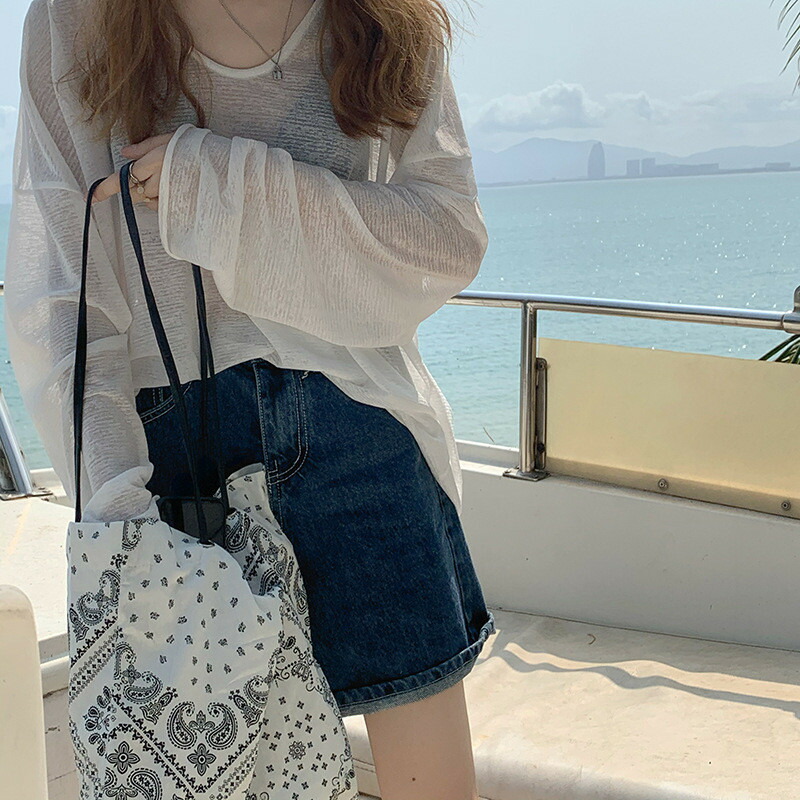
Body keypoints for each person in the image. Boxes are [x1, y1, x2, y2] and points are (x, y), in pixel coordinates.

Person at [4, 0, 496, 797]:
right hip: (166, 450)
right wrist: (119, 514)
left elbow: (447, 238)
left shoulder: (383, 14)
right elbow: (64, 301)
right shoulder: (77, 18)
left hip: (360, 422)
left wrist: (221, 186)